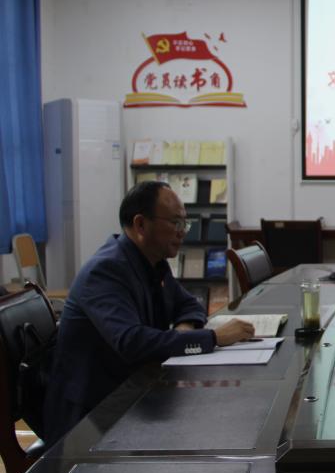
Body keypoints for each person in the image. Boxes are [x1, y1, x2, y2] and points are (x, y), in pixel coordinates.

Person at [44, 181, 254, 444]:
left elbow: (190, 305)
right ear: (141, 224)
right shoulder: (106, 271)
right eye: (175, 223)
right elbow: (133, 342)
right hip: (91, 418)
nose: (182, 232)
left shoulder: (153, 262)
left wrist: (185, 329)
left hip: (134, 394)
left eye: (185, 223)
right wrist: (213, 338)